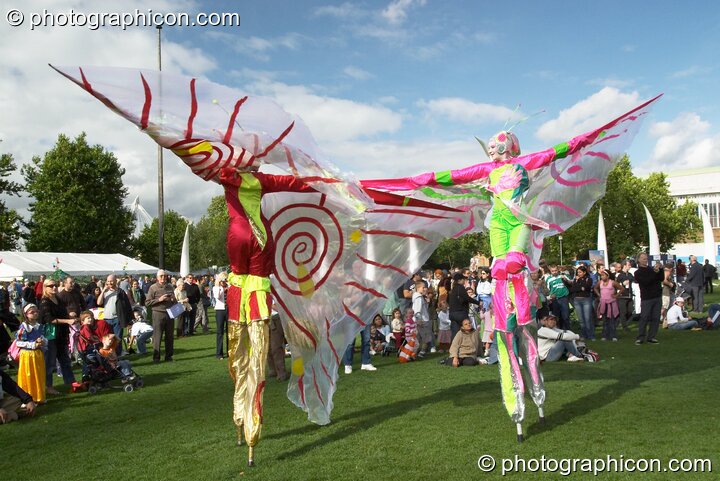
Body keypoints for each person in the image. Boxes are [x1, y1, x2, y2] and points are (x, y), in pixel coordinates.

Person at [38, 279, 77, 394]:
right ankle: (48, 387)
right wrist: (67, 321)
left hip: (61, 333)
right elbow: (50, 320)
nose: (54, 287)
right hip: (50, 335)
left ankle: (71, 382)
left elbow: (62, 313)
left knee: (65, 359)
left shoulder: (57, 299)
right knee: (50, 362)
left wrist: (69, 316)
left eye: (55, 285)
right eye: (51, 286)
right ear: (45, 287)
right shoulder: (45, 302)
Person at [15, 303, 47, 404]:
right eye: (32, 312)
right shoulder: (24, 327)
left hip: (37, 354)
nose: (35, 313)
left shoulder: (39, 326)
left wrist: (42, 341)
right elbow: (18, 342)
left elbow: (44, 337)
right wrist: (33, 344)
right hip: (28, 355)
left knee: (39, 375)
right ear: (26, 314)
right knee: (28, 376)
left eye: (36, 311)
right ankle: (28, 399)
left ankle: (39, 397)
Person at [145, 270, 177, 363]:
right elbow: (147, 302)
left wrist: (173, 299)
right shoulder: (153, 287)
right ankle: (156, 357)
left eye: (165, 276)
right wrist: (159, 299)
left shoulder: (170, 286)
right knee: (157, 337)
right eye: (161, 276)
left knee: (170, 336)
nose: (163, 277)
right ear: (157, 277)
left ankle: (169, 356)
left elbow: (174, 301)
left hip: (170, 313)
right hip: (158, 314)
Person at [634, 253, 665, 345]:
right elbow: (646, 282)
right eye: (643, 259)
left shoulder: (651, 269)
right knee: (644, 317)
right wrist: (654, 273)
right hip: (647, 298)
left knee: (656, 318)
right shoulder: (638, 273)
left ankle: (651, 337)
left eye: (646, 258)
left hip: (657, 297)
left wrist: (661, 269)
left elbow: (661, 278)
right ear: (638, 260)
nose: (645, 260)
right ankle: (640, 337)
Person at [594, 269, 623, 341]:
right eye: (601, 275)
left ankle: (613, 336)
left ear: (608, 276)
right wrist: (598, 294)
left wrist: (616, 295)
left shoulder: (612, 282)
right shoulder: (600, 282)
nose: (602, 277)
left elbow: (622, 288)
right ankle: (604, 335)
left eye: (603, 275)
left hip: (611, 303)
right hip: (603, 303)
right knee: (605, 320)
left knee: (612, 320)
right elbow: (595, 288)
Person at [448, 272, 479, 339]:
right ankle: (468, 345)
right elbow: (467, 298)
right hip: (460, 313)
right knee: (467, 330)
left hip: (452, 313)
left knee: (455, 333)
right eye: (463, 279)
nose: (464, 281)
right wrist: (478, 302)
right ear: (460, 280)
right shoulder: (460, 287)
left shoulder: (453, 289)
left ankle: (454, 348)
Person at [570, 265, 594, 340]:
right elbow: (573, 289)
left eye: (580, 272)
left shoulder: (588, 279)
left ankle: (590, 335)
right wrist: (580, 287)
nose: (578, 274)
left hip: (586, 300)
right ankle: (583, 334)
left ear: (584, 272)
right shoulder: (576, 280)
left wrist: (580, 285)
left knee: (587, 318)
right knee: (581, 319)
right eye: (577, 272)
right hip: (577, 300)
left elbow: (586, 287)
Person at [266, 306, 289, 381]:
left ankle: (281, 372)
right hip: (265, 317)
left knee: (276, 346)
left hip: (277, 317)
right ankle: (273, 369)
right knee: (268, 345)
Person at [546, 265, 571, 330]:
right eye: (552, 271)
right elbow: (547, 290)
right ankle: (557, 331)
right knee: (556, 317)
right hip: (554, 300)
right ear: (550, 271)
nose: (554, 272)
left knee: (565, 316)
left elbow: (571, 282)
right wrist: (549, 297)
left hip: (564, 298)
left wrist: (565, 280)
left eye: (555, 270)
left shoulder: (563, 276)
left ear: (558, 270)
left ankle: (567, 331)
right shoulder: (548, 279)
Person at [412, 281, 434, 357]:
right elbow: (417, 310)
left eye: (425, 287)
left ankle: (415, 352)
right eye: (423, 287)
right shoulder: (418, 298)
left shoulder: (419, 297)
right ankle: (421, 352)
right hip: (422, 320)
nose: (425, 289)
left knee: (419, 337)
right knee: (426, 337)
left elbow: (423, 309)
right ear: (418, 288)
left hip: (421, 319)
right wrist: (418, 320)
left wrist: (427, 303)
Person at [614, 261, 634, 331]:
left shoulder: (630, 274)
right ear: (624, 266)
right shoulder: (619, 275)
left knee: (630, 311)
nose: (630, 266)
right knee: (623, 312)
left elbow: (634, 280)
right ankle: (624, 326)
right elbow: (615, 284)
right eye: (629, 265)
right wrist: (622, 283)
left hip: (629, 295)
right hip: (622, 296)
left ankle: (619, 321)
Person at [213, 273, 228, 359]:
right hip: (220, 310)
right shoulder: (216, 288)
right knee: (220, 332)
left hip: (228, 309)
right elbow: (217, 296)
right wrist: (219, 286)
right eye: (222, 280)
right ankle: (219, 353)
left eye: (224, 280)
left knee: (229, 331)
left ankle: (230, 351)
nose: (223, 282)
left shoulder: (228, 286)